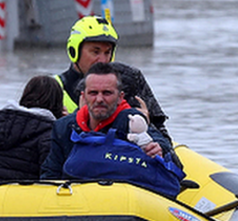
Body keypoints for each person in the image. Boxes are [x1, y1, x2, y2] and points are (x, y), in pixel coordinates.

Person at [40, 63, 183, 196]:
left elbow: (162, 144)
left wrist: (159, 150)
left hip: (124, 201)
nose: (99, 99)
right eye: (93, 93)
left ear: (120, 97)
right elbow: (50, 175)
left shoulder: (132, 120)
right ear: (83, 96)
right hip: (76, 201)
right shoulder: (63, 127)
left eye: (107, 93)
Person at [54, 15, 170, 138]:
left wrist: (145, 125)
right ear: (74, 51)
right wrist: (70, 124)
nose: (103, 60)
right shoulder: (54, 88)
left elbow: (163, 136)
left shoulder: (130, 79)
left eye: (107, 52)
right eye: (95, 52)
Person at [0, 75, 66, 189]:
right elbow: (51, 177)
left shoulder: (4, 125)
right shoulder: (49, 133)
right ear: (57, 104)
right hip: (20, 198)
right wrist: (64, 126)